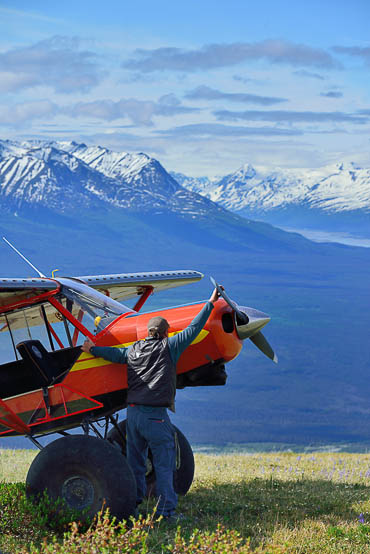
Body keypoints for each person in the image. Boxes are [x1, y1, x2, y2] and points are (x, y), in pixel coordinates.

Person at [82, 286, 221, 521]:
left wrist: (92, 349)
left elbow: (114, 355)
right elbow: (194, 328)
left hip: (133, 415)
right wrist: (211, 302)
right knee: (164, 464)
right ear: (166, 334)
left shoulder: (133, 350)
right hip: (155, 417)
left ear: (148, 333)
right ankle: (166, 512)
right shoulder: (170, 348)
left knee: (134, 462)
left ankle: (132, 507)